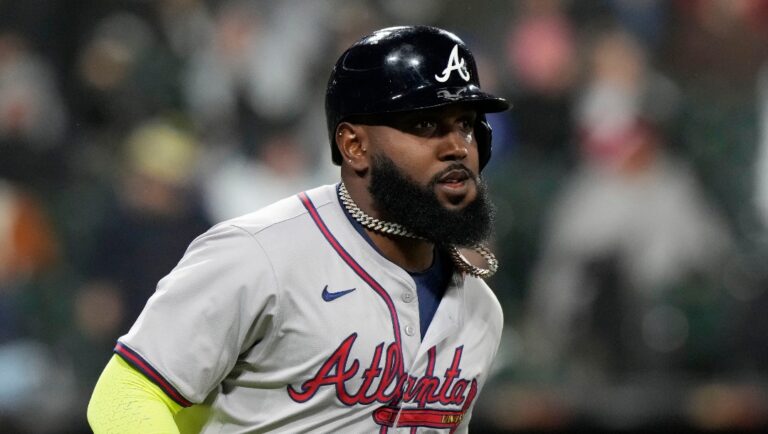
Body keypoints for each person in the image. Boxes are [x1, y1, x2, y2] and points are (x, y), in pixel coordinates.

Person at [87, 25, 509, 433]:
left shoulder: (480, 310)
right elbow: (126, 394)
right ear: (354, 145)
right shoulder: (259, 253)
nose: (457, 146)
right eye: (425, 125)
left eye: (466, 124)